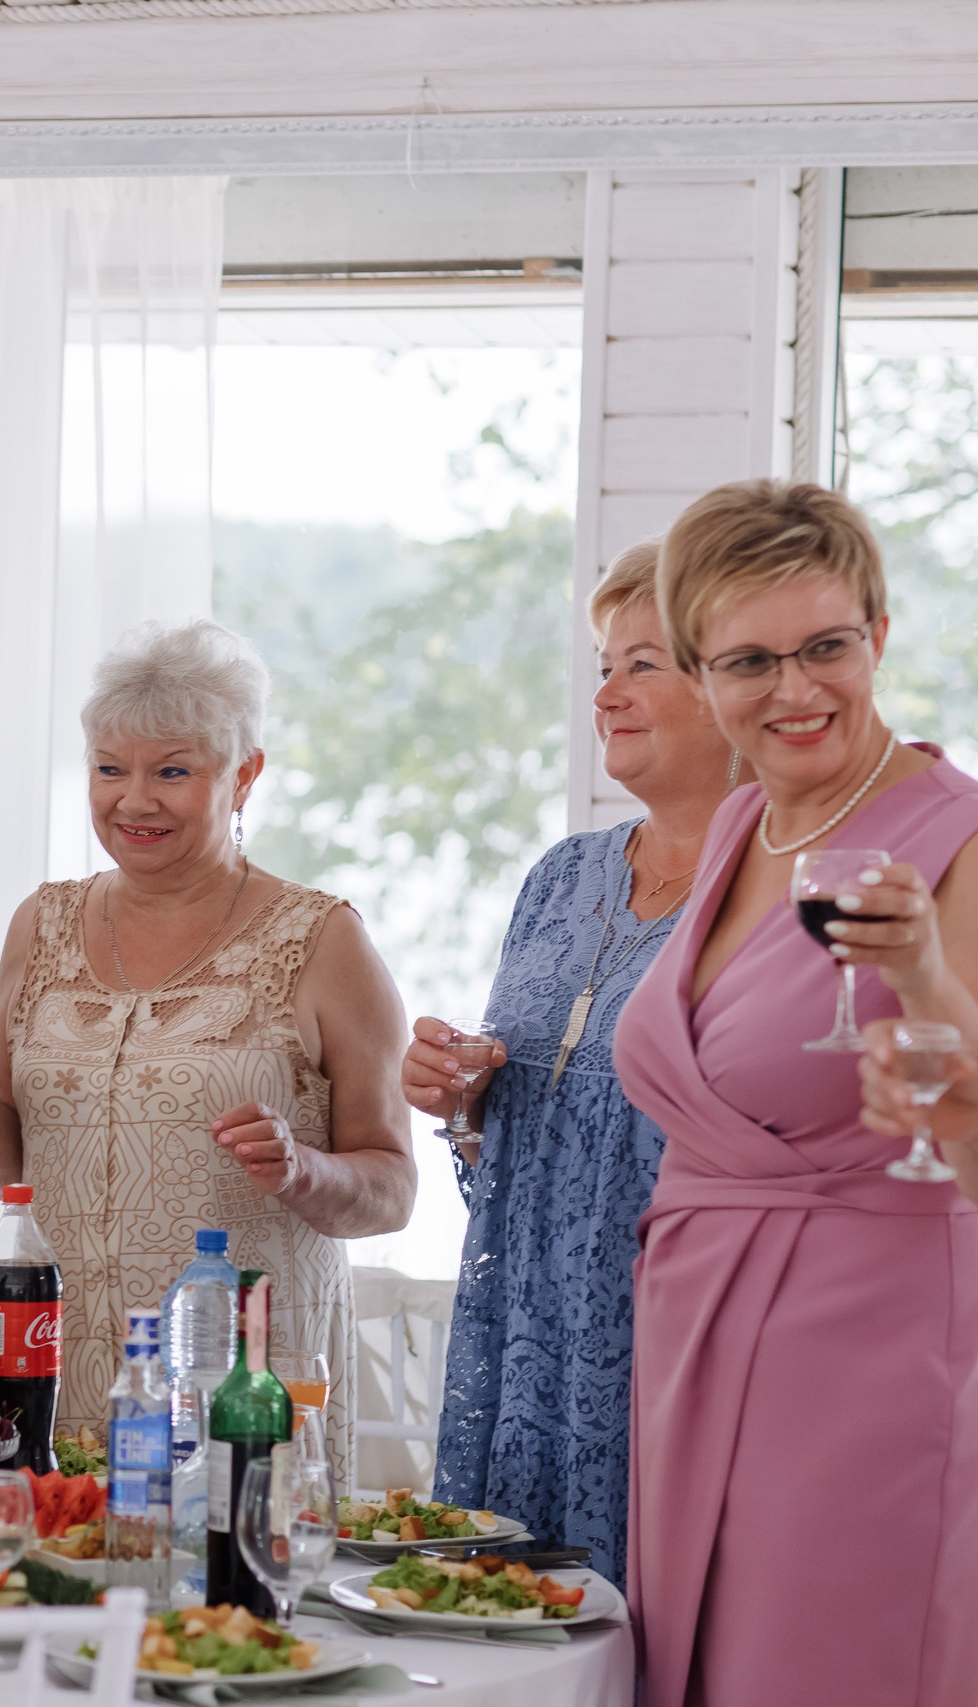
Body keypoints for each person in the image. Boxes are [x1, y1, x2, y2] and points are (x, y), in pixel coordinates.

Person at [611, 479, 978, 1707]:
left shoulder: (957, 838)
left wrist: (922, 971)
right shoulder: (741, 827)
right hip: (695, 1328)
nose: (794, 690)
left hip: (869, 1346)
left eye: (825, 646)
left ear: (877, 635)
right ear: (704, 677)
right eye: (748, 661)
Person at [0, 619, 415, 1484]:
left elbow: (393, 1187)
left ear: (244, 774)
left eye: (172, 771)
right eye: (110, 769)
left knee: (223, 1612)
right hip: (55, 1388)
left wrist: (303, 1171)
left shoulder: (321, 938)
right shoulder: (42, 923)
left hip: (237, 1394)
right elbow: (6, 1176)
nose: (133, 801)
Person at [401, 543, 736, 1587]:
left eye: (641, 664)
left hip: (679, 1338)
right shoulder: (558, 879)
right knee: (511, 1630)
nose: (605, 695)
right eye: (601, 665)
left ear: (728, 683)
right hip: (524, 1340)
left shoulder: (783, 890)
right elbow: (515, 1140)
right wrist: (460, 1102)